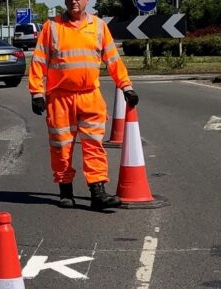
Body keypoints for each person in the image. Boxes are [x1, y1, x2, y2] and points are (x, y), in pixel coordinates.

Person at [28, 0, 138, 211]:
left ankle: (98, 193)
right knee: (61, 147)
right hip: (60, 99)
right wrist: (36, 93)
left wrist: (126, 87)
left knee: (94, 146)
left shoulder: (98, 26)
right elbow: (39, 61)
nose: (74, 1)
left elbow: (113, 60)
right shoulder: (51, 27)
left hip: (90, 97)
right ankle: (65, 190)